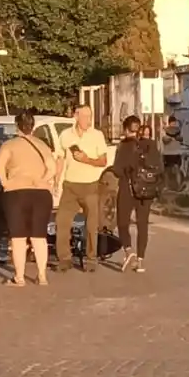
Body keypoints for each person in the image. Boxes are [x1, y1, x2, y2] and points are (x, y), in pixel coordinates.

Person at [0, 112, 54, 286]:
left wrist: (6, 183)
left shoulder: (9, 145)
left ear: (16, 126)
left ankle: (19, 277)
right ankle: (42, 276)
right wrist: (42, 180)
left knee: (18, 237)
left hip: (16, 192)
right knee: (39, 236)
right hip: (41, 193)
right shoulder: (42, 145)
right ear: (33, 127)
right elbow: (52, 168)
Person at [53, 104, 109, 272]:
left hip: (90, 184)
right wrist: (56, 180)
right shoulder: (65, 135)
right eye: (85, 116)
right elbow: (60, 158)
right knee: (61, 222)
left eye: (90, 117)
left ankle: (91, 259)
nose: (88, 120)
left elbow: (103, 161)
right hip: (70, 185)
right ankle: (64, 258)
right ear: (76, 116)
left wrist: (86, 160)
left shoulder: (97, 135)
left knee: (91, 224)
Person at [112, 115, 163, 273]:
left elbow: (117, 169)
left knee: (122, 222)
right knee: (142, 224)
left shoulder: (124, 146)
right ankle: (140, 261)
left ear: (126, 129)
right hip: (147, 190)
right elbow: (159, 168)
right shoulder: (150, 144)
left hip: (128, 188)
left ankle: (129, 252)